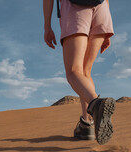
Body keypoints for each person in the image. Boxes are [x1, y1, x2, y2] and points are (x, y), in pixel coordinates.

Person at [43, 0, 116, 144]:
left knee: (73, 72)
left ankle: (97, 104)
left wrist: (47, 27)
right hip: (102, 11)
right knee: (85, 71)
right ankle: (87, 124)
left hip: (76, 9)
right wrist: (106, 30)